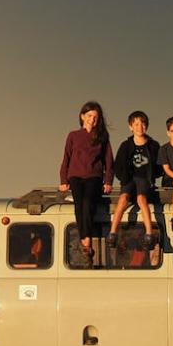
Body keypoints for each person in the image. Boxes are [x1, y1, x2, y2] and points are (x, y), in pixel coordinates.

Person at [59, 101, 113, 260]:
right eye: (89, 116)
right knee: (79, 204)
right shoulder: (73, 135)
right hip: (75, 175)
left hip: (94, 176)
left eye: (96, 117)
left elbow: (109, 160)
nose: (92, 119)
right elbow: (66, 158)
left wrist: (108, 181)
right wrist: (63, 179)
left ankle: (85, 238)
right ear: (82, 116)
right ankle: (85, 239)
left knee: (88, 202)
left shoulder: (102, 137)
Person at [108, 110, 161, 248]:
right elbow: (118, 165)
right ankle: (113, 233)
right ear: (130, 127)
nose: (140, 127)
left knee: (141, 199)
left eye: (143, 124)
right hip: (129, 179)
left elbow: (160, 164)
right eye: (136, 124)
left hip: (144, 179)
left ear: (147, 126)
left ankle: (149, 233)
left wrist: (153, 176)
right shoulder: (125, 146)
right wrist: (123, 178)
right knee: (123, 198)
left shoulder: (153, 145)